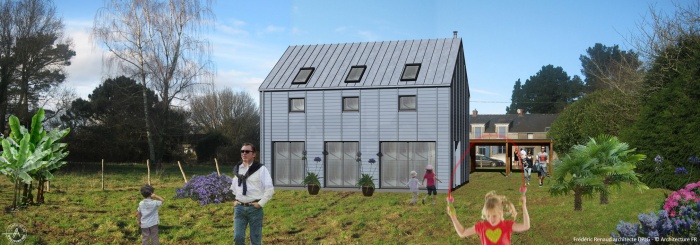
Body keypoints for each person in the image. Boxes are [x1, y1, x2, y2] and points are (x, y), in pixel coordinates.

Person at [446, 191, 530, 244]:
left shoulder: (507, 225)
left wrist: (524, 206)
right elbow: (462, 233)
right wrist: (453, 217)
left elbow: (526, 226)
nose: (491, 219)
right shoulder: (481, 227)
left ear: (500, 213)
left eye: (494, 216)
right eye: (488, 216)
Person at [231, 143, 275, 245]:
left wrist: (260, 203)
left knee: (255, 240)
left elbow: (270, 189)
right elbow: (233, 187)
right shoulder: (238, 169)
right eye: (242, 151)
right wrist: (235, 200)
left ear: (254, 154)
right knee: (238, 237)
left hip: (254, 209)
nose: (244, 153)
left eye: (247, 151)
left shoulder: (261, 169)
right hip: (239, 208)